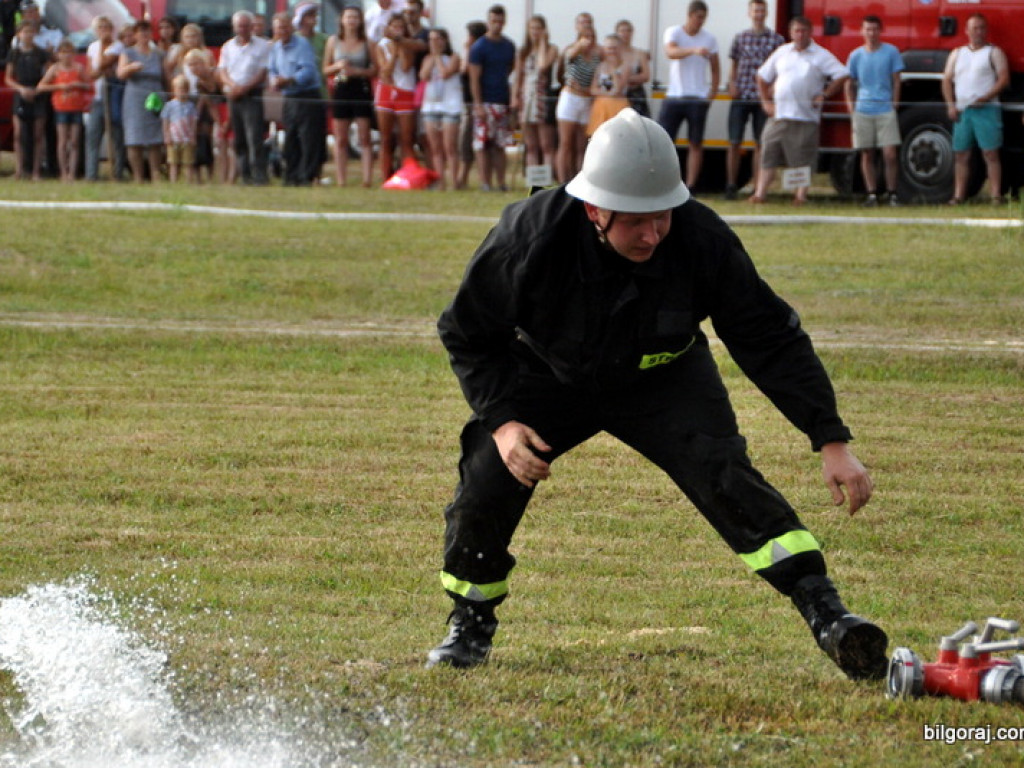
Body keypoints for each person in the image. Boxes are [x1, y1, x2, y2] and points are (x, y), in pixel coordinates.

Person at [426, 108, 888, 684]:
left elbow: (767, 335)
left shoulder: (701, 237)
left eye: (663, 216)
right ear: (595, 209)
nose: (653, 234)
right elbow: (466, 331)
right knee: (486, 483)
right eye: (637, 222)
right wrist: (502, 422)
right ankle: (469, 624)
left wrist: (829, 436)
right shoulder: (530, 237)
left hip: (663, 375)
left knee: (725, 474)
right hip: (546, 380)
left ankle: (828, 613)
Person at [750, 16, 848, 205]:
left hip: (805, 117)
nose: (800, 35)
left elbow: (842, 74)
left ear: (810, 32)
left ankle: (800, 196)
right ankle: (760, 193)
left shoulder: (821, 54)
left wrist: (825, 94)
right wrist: (765, 102)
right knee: (768, 152)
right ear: (790, 32)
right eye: (796, 31)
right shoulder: (782, 52)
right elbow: (762, 76)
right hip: (779, 114)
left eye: (804, 31)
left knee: (803, 159)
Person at [941, 13, 1009, 206]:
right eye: (974, 28)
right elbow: (946, 79)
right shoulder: (957, 53)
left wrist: (985, 97)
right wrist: (950, 105)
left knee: (991, 153)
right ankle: (958, 196)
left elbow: (1004, 79)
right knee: (961, 154)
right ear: (966, 31)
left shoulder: (994, 52)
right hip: (963, 111)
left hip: (987, 109)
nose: (978, 32)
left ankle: (996, 196)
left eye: (981, 28)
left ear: (986, 31)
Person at [724, 0, 784, 200]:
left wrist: (772, 91)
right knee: (734, 142)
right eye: (755, 10)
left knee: (760, 144)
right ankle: (731, 185)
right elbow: (734, 64)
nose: (758, 14)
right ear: (749, 13)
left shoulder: (776, 40)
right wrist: (731, 84)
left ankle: (757, 187)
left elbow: (780, 69)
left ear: (766, 13)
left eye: (762, 10)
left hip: (762, 99)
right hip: (741, 96)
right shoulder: (740, 38)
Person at [658, 0, 720, 190]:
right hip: (675, 95)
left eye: (703, 18)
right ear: (690, 15)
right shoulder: (674, 32)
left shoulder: (710, 39)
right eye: (698, 17)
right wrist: (693, 50)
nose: (700, 22)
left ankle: (691, 184)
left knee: (695, 143)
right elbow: (670, 52)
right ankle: (664, 181)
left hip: (698, 98)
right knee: (665, 142)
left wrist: (712, 93)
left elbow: (716, 69)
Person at [845, 16, 904, 207]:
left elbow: (896, 79)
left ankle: (892, 193)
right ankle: (872, 194)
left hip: (885, 109)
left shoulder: (891, 52)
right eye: (867, 29)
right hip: (863, 109)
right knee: (867, 154)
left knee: (890, 154)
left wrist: (895, 102)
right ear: (862, 31)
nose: (871, 33)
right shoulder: (855, 55)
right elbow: (849, 83)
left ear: (881, 31)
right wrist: (851, 107)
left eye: (874, 29)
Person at [269, 12, 324, 186]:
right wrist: (274, 80)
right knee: (290, 136)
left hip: (306, 95)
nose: (282, 30)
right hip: (289, 97)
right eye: (279, 28)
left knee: (308, 138)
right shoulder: (276, 47)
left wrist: (289, 79)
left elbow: (308, 71)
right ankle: (291, 175)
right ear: (275, 30)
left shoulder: (302, 44)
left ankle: (307, 175)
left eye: (285, 27)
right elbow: (271, 69)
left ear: (291, 27)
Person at [324, 5, 377, 187]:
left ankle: (367, 178)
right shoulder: (333, 41)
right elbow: (325, 69)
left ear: (360, 21)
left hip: (360, 89)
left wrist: (358, 71)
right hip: (341, 89)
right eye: (348, 17)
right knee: (341, 138)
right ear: (342, 20)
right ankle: (341, 179)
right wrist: (338, 66)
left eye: (355, 17)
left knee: (364, 136)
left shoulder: (368, 42)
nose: (352, 21)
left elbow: (375, 69)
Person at [218, 10, 272, 185]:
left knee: (254, 137)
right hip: (234, 95)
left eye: (246, 25)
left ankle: (259, 176)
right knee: (239, 138)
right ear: (234, 27)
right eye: (239, 26)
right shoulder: (227, 47)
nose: (243, 29)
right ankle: (245, 175)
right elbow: (222, 71)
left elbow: (263, 72)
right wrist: (234, 87)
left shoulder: (263, 45)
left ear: (251, 27)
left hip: (252, 94)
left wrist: (246, 87)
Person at [468, 4, 515, 192]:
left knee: (500, 144)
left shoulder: (508, 45)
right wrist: (478, 103)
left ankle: (501, 182)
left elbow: (510, 70)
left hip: (501, 100)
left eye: (500, 21)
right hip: (485, 101)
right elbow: (474, 78)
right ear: (488, 22)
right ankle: (485, 182)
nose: (497, 25)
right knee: (482, 145)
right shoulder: (479, 47)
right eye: (494, 21)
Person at [117, 20, 165, 183]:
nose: (144, 35)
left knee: (155, 139)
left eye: (147, 31)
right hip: (135, 98)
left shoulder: (158, 54)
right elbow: (120, 74)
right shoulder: (128, 53)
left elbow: (166, 76)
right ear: (135, 35)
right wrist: (131, 68)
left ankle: (155, 175)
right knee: (134, 138)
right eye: (140, 32)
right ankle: (137, 176)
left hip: (156, 97)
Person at [374, 11, 418, 181]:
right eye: (395, 27)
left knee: (406, 138)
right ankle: (386, 176)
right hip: (386, 90)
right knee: (385, 137)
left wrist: (400, 46)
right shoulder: (382, 45)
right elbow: (385, 70)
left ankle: (408, 175)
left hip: (405, 90)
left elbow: (406, 67)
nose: (398, 30)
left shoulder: (409, 44)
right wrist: (393, 53)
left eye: (401, 27)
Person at [555, 15, 600, 184]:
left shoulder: (596, 57)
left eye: (591, 38)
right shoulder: (573, 51)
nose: (588, 41)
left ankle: (580, 178)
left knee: (582, 144)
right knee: (565, 143)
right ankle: (562, 180)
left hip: (586, 100)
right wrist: (580, 45)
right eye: (585, 37)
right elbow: (569, 55)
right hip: (570, 98)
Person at [38, 38, 89, 182]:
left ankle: (72, 172)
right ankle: (63, 172)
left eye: (69, 53)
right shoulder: (54, 69)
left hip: (76, 108)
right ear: (58, 54)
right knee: (62, 141)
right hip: (61, 108)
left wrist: (78, 84)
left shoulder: (78, 68)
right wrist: (59, 87)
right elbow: (41, 86)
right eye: (63, 53)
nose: (66, 56)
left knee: (74, 141)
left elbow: (88, 85)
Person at [512, 14, 558, 172]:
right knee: (531, 145)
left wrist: (543, 43)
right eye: (532, 28)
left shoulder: (551, 49)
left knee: (546, 144)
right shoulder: (523, 52)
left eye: (538, 28)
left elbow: (543, 66)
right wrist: (514, 97)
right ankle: (533, 179)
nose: (535, 32)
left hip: (542, 98)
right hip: (526, 98)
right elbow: (518, 76)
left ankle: (546, 178)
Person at [419, 27, 462, 190]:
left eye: (438, 39)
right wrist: (433, 58)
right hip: (431, 106)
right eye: (431, 39)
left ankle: (455, 180)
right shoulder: (427, 59)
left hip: (450, 106)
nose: (434, 43)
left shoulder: (454, 57)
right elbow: (423, 76)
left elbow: (445, 73)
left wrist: (437, 56)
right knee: (435, 147)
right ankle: (440, 180)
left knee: (449, 146)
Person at [85, 15, 126, 181]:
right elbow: (91, 73)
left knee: (117, 137)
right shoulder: (92, 47)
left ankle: (117, 173)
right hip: (98, 96)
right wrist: (100, 70)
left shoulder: (118, 46)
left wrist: (103, 45)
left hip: (113, 96)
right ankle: (91, 174)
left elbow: (102, 64)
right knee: (92, 135)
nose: (104, 31)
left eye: (107, 27)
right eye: (100, 28)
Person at [6, 20, 49, 180]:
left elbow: (49, 73)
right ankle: (19, 169)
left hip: (38, 93)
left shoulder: (41, 53)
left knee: (38, 134)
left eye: (31, 32)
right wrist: (21, 89)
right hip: (21, 93)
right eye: (25, 32)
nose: (28, 35)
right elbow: (9, 78)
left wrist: (38, 89)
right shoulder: (14, 54)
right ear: (19, 34)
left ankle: (36, 171)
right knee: (18, 134)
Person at [455, 20, 486, 190]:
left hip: (471, 103)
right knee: (465, 142)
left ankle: (464, 177)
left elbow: (464, 69)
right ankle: (463, 177)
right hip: (467, 102)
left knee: (466, 141)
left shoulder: (475, 52)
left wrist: (467, 48)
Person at [587, 35, 630, 136]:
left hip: (618, 105)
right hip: (601, 106)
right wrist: (609, 93)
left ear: (620, 49)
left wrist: (613, 71)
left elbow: (618, 89)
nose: (611, 51)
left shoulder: (626, 67)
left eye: (614, 48)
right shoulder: (600, 66)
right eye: (609, 48)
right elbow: (593, 90)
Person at [160, 73, 198, 183]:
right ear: (174, 90)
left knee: (188, 162)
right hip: (174, 138)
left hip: (187, 138)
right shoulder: (169, 106)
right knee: (173, 162)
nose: (182, 92)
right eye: (179, 89)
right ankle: (173, 181)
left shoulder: (190, 106)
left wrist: (193, 136)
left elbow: (193, 121)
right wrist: (167, 136)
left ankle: (189, 182)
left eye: (184, 90)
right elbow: (165, 122)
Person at [615, 19, 651, 118]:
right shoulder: (612, 54)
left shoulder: (640, 53)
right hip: (618, 95)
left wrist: (625, 78)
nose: (625, 34)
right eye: (622, 31)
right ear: (617, 33)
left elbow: (646, 76)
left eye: (628, 31)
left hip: (636, 95)